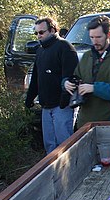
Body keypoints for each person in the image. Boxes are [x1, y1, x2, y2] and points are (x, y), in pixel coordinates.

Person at [64, 15, 110, 128]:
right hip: (85, 122)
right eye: (92, 37)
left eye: (99, 37)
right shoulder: (86, 57)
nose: (95, 41)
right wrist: (67, 83)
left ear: (109, 35)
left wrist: (94, 88)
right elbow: (76, 77)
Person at [25, 17, 78, 154]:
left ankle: (72, 173)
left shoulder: (65, 47)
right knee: (50, 146)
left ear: (53, 30)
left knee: (65, 146)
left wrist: (64, 101)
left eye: (41, 32)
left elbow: (71, 77)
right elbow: (36, 78)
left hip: (62, 106)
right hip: (46, 106)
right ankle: (54, 175)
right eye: (36, 33)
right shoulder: (40, 51)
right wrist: (29, 99)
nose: (39, 36)